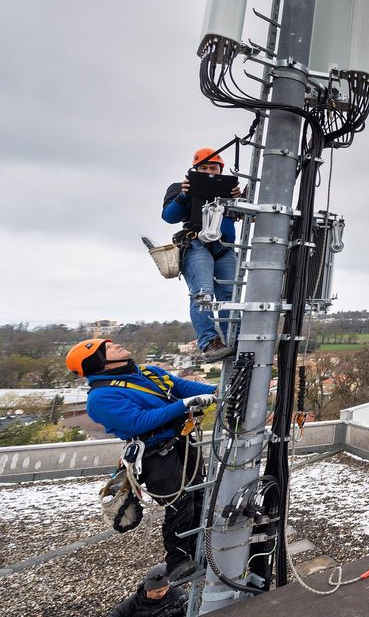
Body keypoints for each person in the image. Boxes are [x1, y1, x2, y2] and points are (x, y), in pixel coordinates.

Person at [67, 338, 216, 580]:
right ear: (99, 362)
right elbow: (140, 421)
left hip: (181, 441)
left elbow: (180, 386)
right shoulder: (101, 397)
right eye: (108, 348)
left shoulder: (146, 372)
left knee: (199, 493)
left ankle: (201, 549)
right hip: (153, 452)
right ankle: (178, 560)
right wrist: (183, 405)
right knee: (180, 502)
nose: (116, 345)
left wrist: (216, 392)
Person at [162, 147, 241, 362]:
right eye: (203, 168)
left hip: (224, 247)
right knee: (203, 294)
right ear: (195, 170)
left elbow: (244, 216)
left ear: (220, 170)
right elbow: (169, 216)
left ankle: (236, 339)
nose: (208, 172)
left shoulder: (229, 191)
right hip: (196, 243)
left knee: (229, 296)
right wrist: (184, 195)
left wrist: (238, 199)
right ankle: (210, 342)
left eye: (213, 168)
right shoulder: (181, 188)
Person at [107, 563, 187, 617]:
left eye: (166, 588)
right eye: (158, 591)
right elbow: (115, 614)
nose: (163, 593)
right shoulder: (134, 602)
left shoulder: (177, 593)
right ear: (148, 590)